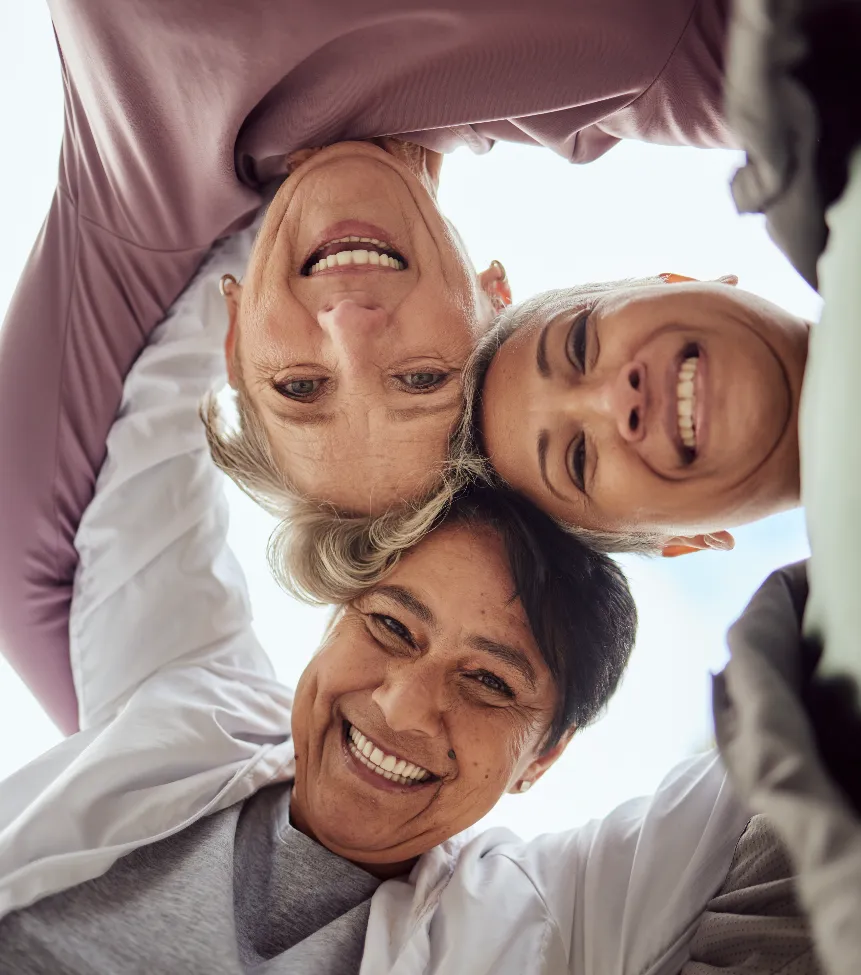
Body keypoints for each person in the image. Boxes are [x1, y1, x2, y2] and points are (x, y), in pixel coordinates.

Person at [0, 239, 821, 975]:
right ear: (334, 616)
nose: (402, 705)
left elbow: (805, 723)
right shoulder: (183, 696)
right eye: (390, 626)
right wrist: (401, 257)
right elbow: (148, 370)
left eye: (490, 684)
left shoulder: (550, 923)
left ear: (544, 757)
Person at [0, 0, 737, 723]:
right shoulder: (634, 58)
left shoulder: (146, 179)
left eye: (299, 386)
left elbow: (29, 575)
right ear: (497, 300)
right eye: (421, 378)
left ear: (234, 339)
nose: (349, 325)